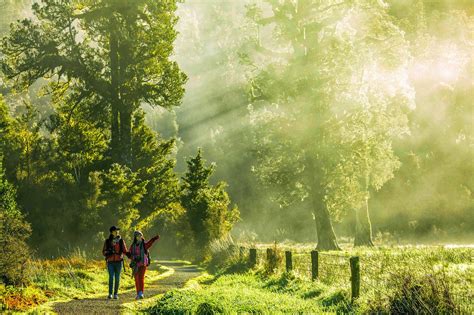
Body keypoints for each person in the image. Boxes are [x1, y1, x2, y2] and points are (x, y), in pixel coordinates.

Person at [127, 230, 160, 299]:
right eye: (138, 236)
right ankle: (138, 293)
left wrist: (154, 239)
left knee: (141, 278)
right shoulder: (132, 246)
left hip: (142, 264)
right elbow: (129, 254)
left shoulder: (144, 245)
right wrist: (132, 257)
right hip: (135, 264)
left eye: (140, 236)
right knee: (136, 279)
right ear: (135, 237)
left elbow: (149, 243)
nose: (139, 237)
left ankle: (141, 293)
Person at [102, 226, 127, 300]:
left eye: (117, 230)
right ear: (111, 232)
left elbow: (125, 251)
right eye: (115, 230)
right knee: (111, 277)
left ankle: (115, 294)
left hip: (119, 262)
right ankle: (110, 294)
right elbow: (103, 251)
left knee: (117, 278)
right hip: (110, 262)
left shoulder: (121, 241)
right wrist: (108, 252)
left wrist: (131, 256)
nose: (117, 231)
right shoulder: (107, 241)